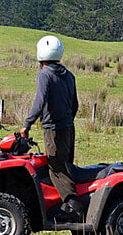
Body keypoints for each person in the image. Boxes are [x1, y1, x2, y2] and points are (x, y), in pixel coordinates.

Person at [20, 35, 83, 222]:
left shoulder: (45, 75)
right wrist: (67, 120)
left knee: (56, 168)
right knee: (66, 165)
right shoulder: (69, 75)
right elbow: (75, 104)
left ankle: (73, 207)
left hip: (53, 129)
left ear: (40, 55)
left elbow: (39, 102)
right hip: (68, 128)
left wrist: (27, 125)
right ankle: (66, 203)